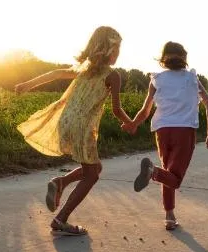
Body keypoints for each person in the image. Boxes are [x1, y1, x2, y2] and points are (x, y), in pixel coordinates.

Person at [15, 26, 132, 237]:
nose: (118, 54)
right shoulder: (112, 76)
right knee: (92, 176)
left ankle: (60, 182)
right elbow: (117, 109)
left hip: (66, 121)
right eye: (117, 49)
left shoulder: (82, 69)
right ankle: (61, 219)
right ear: (108, 50)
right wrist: (131, 123)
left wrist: (27, 84)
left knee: (94, 168)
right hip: (83, 127)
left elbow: (55, 74)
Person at [122, 41, 208, 230]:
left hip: (162, 130)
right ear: (184, 58)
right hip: (184, 131)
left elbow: (145, 110)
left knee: (168, 172)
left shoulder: (157, 79)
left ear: (163, 60)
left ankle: (169, 215)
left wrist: (133, 124)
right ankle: (152, 172)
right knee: (174, 178)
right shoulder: (191, 79)